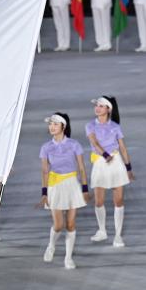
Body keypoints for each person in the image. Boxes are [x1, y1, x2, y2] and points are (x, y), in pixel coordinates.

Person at [39, 113, 89, 269]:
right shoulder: (46, 147)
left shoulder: (74, 145)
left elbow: (82, 168)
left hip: (72, 185)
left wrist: (85, 188)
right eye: (50, 124)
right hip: (55, 185)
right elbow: (45, 171)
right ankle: (51, 245)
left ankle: (68, 258)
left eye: (55, 124)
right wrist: (44, 192)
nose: (52, 127)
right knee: (58, 225)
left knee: (71, 224)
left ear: (63, 126)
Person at [86, 97, 133, 246]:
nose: (97, 108)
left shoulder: (115, 127)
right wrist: (105, 155)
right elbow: (94, 142)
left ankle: (118, 236)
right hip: (101, 162)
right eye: (97, 105)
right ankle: (102, 231)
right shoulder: (90, 125)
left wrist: (128, 168)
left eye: (101, 106)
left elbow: (122, 147)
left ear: (108, 109)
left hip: (115, 161)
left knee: (118, 200)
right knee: (99, 201)